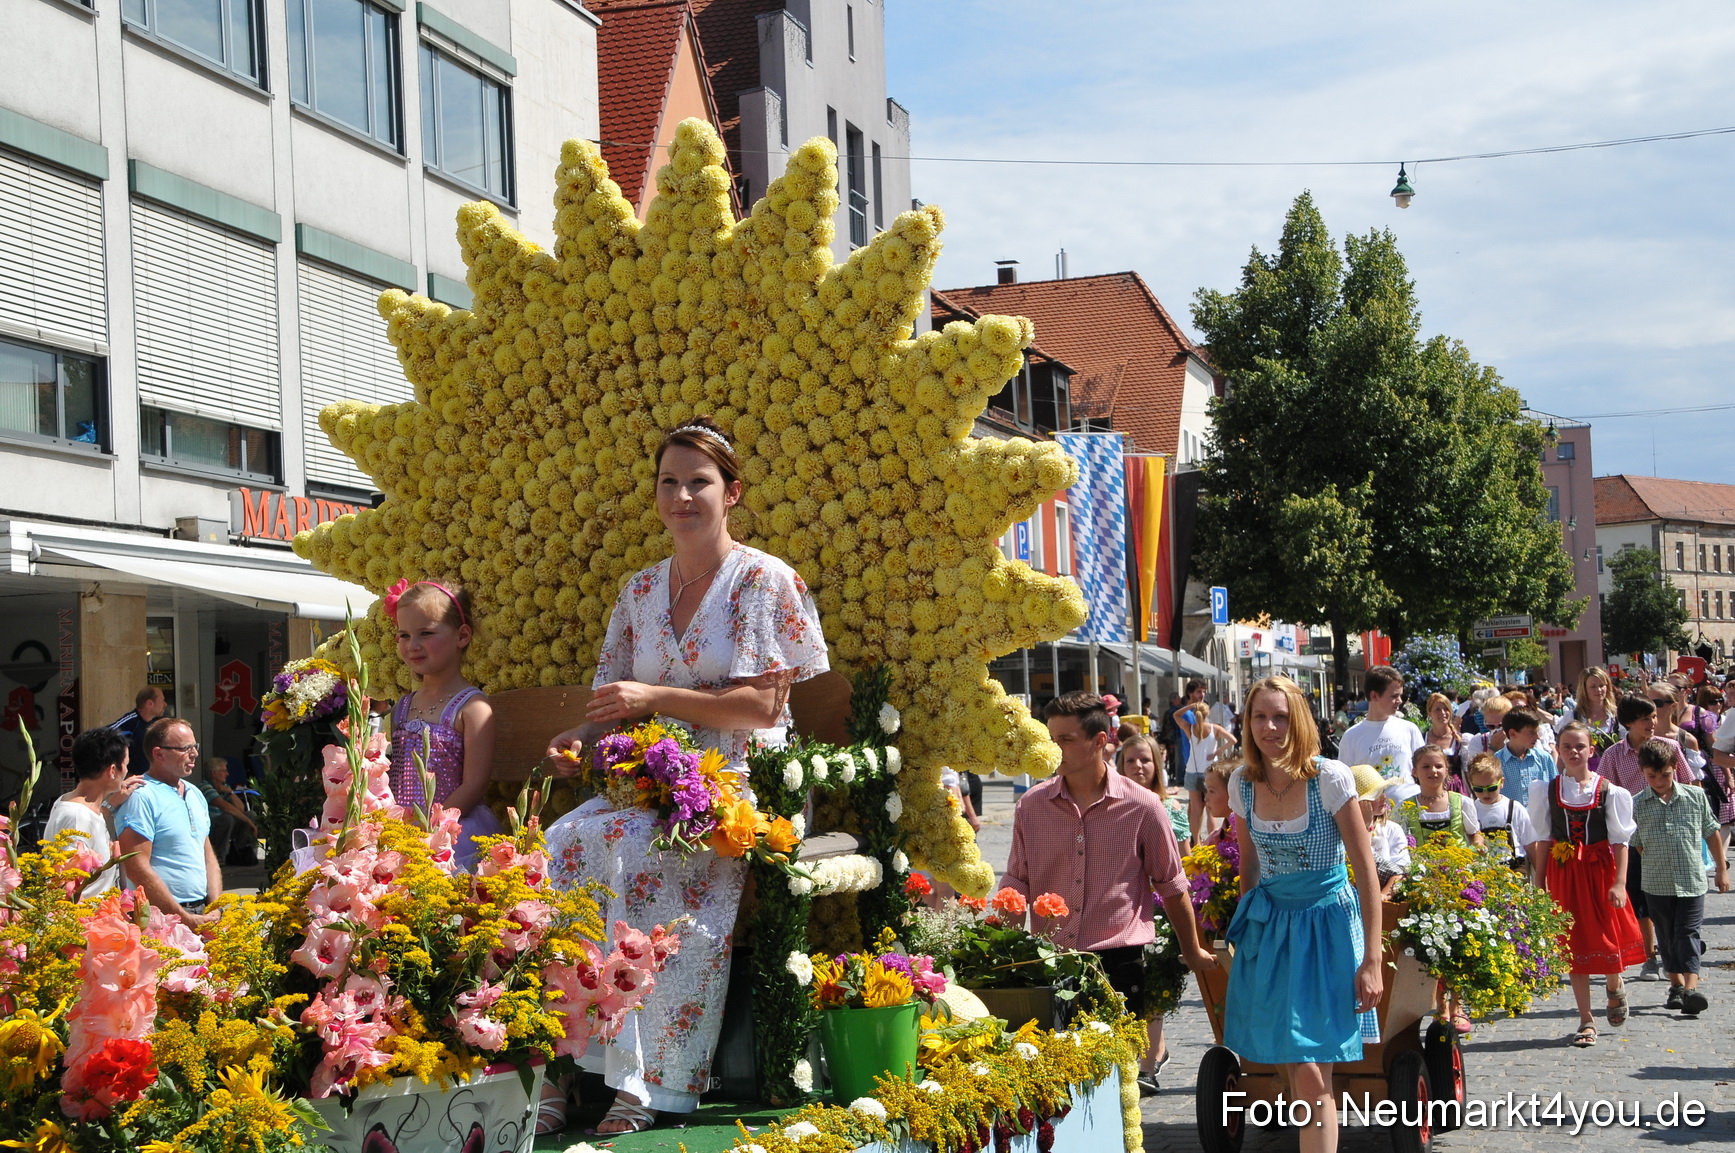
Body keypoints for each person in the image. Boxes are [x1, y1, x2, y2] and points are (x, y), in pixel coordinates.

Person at [542, 419, 829, 1134]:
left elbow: (763, 705)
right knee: (555, 846)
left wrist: (657, 699)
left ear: (731, 493)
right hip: (643, 785)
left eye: (698, 481)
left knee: (639, 854)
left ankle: (652, 1083)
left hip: (728, 784)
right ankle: (561, 1064)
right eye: (669, 482)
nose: (682, 495)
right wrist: (577, 740)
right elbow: (613, 702)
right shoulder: (638, 590)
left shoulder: (764, 579)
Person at [1001, 692, 1215, 1097]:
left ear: (1100, 741)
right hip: (1051, 961)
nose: (1054, 749)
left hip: (1118, 963)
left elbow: (1172, 885)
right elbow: (1017, 882)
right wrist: (1005, 955)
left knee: (1116, 1082)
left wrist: (1190, 948)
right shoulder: (1032, 806)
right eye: (1051, 738)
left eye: (1065, 739)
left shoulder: (1143, 806)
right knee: (1057, 1084)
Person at [1223, 676, 1381, 1153]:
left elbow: (1366, 873)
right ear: (1247, 723)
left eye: (1281, 716)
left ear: (1300, 721)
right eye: (1259, 717)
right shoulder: (1242, 784)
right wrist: (1246, 932)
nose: (1270, 727)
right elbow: (1249, 864)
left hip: (1326, 928)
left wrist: (1371, 959)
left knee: (1311, 1071)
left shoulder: (1329, 778)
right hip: (1272, 930)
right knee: (1294, 1067)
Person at [1528, 722, 1644, 1047]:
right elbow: (1543, 839)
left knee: (1606, 934)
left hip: (1599, 869)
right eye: (1567, 747)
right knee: (1572, 942)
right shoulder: (1547, 790)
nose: (1574, 752)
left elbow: (1620, 842)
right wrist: (1539, 885)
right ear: (1559, 751)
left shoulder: (1608, 790)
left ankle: (1613, 982)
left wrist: (1620, 883)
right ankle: (1586, 1019)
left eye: (1580, 746)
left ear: (1591, 750)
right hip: (1564, 871)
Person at [385, 581, 501, 871]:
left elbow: (474, 784)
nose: (412, 645)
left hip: (453, 831)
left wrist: (434, 827)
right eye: (404, 635)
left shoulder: (472, 707)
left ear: (461, 636)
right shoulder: (402, 706)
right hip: (403, 830)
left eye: (426, 633)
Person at [1595, 694, 1694, 982]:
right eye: (1645, 719)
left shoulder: (1671, 747)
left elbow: (1689, 785)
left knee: (1675, 898)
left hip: (1672, 834)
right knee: (1642, 899)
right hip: (1635, 836)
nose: (1652, 723)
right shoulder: (1614, 754)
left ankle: (1674, 953)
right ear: (1628, 723)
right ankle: (1649, 955)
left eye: (1653, 717)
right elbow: (1604, 793)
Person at [1630, 739, 1729, 1016]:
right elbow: (1637, 843)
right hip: (1656, 882)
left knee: (1688, 932)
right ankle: (1674, 985)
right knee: (1666, 933)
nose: (1659, 781)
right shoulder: (1638, 804)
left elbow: (1711, 832)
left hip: (1691, 879)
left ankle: (1690, 989)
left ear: (1675, 768)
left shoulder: (1695, 797)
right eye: (1652, 776)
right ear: (1643, 773)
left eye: (1665, 774)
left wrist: (1721, 868)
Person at [117, 718, 222, 930]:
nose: (194, 754)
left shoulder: (195, 794)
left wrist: (217, 907)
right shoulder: (142, 797)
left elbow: (207, 854)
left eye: (195, 746)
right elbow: (136, 868)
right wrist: (183, 917)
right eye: (185, 748)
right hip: (161, 919)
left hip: (202, 913)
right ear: (159, 754)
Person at [45, 728, 143, 896]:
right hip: (84, 918)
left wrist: (111, 802)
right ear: (112, 770)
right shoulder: (76, 816)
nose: (127, 771)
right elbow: (68, 885)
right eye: (126, 764)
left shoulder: (72, 803)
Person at [1335, 665, 1424, 783]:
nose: (1400, 701)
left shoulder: (1409, 730)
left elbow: (1424, 768)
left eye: (1400, 695)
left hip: (1407, 801)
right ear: (1374, 696)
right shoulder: (1351, 737)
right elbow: (1344, 782)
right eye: (1394, 696)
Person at [1393, 746, 1485, 851]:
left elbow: (1474, 833)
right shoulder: (1405, 807)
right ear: (1414, 772)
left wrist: (1478, 845)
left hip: (1459, 865)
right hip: (1420, 866)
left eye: (1438, 766)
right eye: (1426, 767)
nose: (1433, 770)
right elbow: (1397, 842)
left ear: (1446, 771)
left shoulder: (1462, 802)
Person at [1465, 752, 1537, 873]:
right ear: (1471, 785)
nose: (1485, 793)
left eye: (1491, 788)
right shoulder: (1471, 809)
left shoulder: (1514, 808)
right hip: (1484, 874)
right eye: (1479, 789)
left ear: (1502, 782)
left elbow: (1531, 845)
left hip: (1515, 871)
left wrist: (1541, 878)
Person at [1556, 666, 1619, 774]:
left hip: (1612, 775)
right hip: (1581, 776)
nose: (1598, 690)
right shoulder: (1573, 716)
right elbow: (1562, 750)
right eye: (1593, 686)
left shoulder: (1616, 716)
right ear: (1584, 688)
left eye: (1601, 685)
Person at [199, 756, 257, 865]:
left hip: (225, 826)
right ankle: (220, 856)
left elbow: (240, 809)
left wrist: (231, 792)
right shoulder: (205, 787)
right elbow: (225, 807)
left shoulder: (225, 787)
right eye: (224, 771)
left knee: (250, 815)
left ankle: (242, 850)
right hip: (210, 828)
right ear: (213, 773)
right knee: (227, 817)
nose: (227, 774)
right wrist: (248, 822)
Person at [1494, 709, 1557, 806]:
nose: (1537, 737)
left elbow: (1555, 791)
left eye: (1537, 732)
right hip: (1511, 819)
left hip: (1540, 819)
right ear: (1513, 734)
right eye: (1531, 733)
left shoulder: (1544, 758)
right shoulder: (1496, 762)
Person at [108, 686, 166, 772]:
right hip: (132, 781)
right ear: (150, 703)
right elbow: (102, 737)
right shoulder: (131, 722)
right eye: (162, 701)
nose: (165, 704)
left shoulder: (154, 725)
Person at [1421, 692, 1466, 792]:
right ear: (1429, 713)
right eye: (1437, 709)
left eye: (1446, 709)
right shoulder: (1422, 738)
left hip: (1455, 789)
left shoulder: (1459, 739)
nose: (1442, 713)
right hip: (1430, 788)